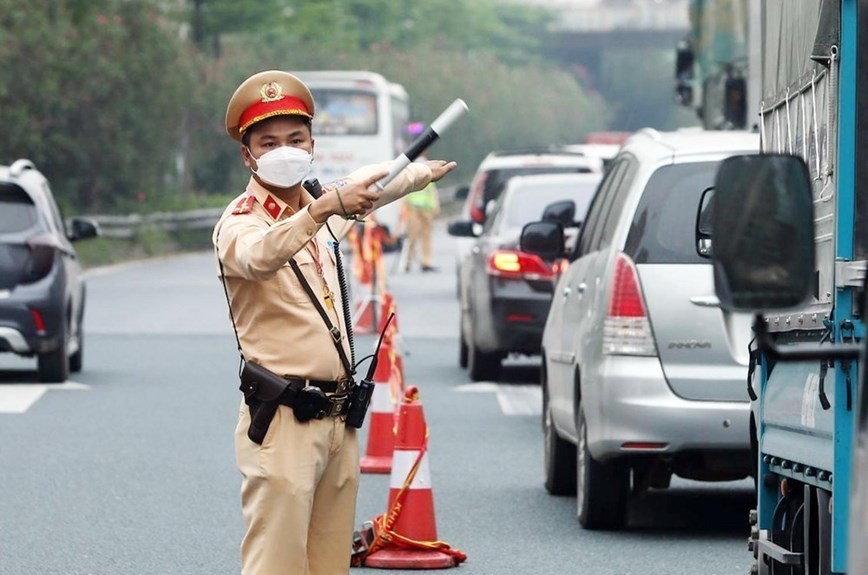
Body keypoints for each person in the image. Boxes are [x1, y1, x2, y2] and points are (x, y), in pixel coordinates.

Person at [212, 70, 456, 575]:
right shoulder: (242, 222)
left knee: (329, 564)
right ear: (248, 154)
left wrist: (419, 173)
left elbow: (374, 182)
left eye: (295, 139)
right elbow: (260, 257)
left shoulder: (320, 207)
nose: (285, 150)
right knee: (277, 564)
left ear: (311, 143)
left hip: (338, 420)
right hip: (282, 422)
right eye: (270, 142)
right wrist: (321, 210)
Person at [403, 154, 441, 272]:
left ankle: (426, 261)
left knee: (426, 237)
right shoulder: (412, 178)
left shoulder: (429, 178)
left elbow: (433, 194)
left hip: (426, 210)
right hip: (414, 209)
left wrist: (435, 207)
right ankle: (408, 261)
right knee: (412, 237)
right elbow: (404, 195)